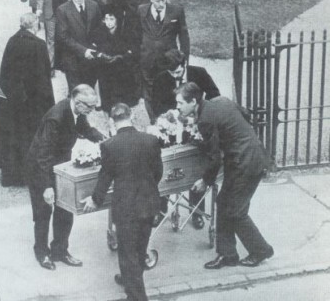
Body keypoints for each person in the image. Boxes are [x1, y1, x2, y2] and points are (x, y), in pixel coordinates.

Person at [176, 83, 274, 269]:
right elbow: (244, 116)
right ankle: (227, 254)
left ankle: (261, 250)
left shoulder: (206, 119)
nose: (177, 107)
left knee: (236, 211)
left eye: (180, 103)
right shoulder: (220, 101)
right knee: (223, 203)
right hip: (247, 157)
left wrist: (205, 181)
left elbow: (214, 158)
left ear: (193, 101)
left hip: (245, 164)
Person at [83, 103, 162, 301]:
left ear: (111, 121)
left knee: (127, 254)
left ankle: (137, 297)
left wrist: (95, 199)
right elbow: (158, 173)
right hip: (149, 202)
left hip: (126, 207)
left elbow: (105, 177)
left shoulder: (110, 145)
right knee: (139, 249)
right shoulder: (151, 141)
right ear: (132, 116)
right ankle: (129, 280)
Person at [27, 85, 104, 270]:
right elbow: (43, 155)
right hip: (41, 168)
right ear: (78, 102)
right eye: (90, 107)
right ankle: (42, 253)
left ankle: (60, 250)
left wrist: (104, 139)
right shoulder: (56, 117)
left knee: (65, 209)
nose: (92, 111)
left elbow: (85, 128)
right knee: (43, 212)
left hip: (61, 166)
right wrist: (46, 186)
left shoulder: (77, 111)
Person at [151, 49, 220, 228]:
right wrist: (168, 117)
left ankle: (196, 211)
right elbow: (155, 104)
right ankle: (162, 208)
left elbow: (215, 95)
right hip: (171, 127)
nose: (175, 75)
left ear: (184, 65)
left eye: (178, 72)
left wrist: (198, 115)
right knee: (165, 166)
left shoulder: (199, 73)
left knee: (194, 166)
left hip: (195, 126)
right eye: (171, 73)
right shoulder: (160, 79)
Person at [0, 13, 54, 186]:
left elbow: (6, 73)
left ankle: (10, 176)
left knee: (12, 136)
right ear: (34, 26)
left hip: (12, 101)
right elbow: (43, 77)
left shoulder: (12, 41)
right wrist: (48, 104)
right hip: (32, 103)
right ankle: (28, 176)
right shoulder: (39, 45)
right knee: (30, 137)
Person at [135, 0, 190, 102]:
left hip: (168, 59)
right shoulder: (141, 10)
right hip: (147, 58)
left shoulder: (176, 11)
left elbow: (184, 36)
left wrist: (184, 58)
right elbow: (136, 33)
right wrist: (139, 52)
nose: (161, 4)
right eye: (158, 1)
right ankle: (153, 117)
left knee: (169, 88)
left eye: (163, 0)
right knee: (149, 91)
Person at [55, 0, 102, 90]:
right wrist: (83, 50)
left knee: (90, 86)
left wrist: (94, 46)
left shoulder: (93, 5)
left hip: (91, 54)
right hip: (72, 57)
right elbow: (63, 37)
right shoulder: (62, 10)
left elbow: (99, 28)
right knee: (76, 90)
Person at [90, 10, 139, 112]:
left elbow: (133, 50)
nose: (109, 22)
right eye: (106, 19)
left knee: (122, 101)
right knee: (107, 101)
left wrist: (121, 57)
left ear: (117, 20)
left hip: (122, 71)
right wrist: (101, 55)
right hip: (105, 71)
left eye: (112, 19)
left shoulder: (125, 32)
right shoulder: (98, 32)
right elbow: (93, 49)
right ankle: (110, 120)